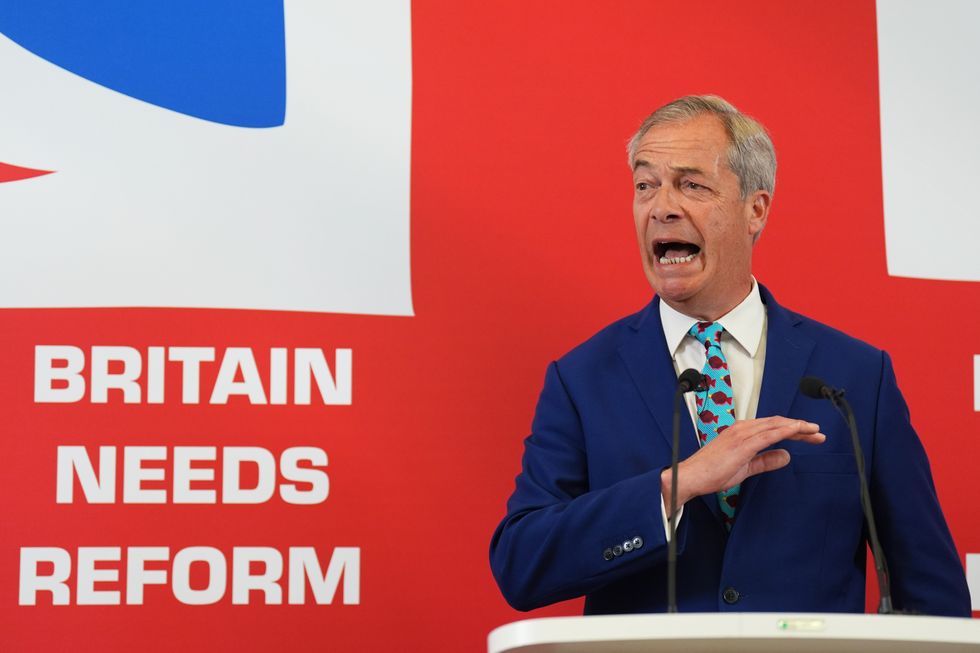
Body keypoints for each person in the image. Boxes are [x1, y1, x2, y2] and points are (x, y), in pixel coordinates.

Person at [489, 95, 971, 616]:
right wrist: (676, 486)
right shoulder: (582, 379)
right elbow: (522, 562)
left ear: (755, 210)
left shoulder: (854, 376)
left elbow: (930, 591)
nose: (661, 207)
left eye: (692, 185)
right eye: (645, 185)